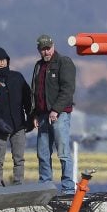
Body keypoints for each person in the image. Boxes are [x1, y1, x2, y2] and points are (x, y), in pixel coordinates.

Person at [30, 34, 76, 193]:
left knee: (63, 152)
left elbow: (68, 90)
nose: (46, 52)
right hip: (42, 116)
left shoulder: (64, 62)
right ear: (38, 50)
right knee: (42, 153)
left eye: (48, 48)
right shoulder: (38, 66)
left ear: (53, 46)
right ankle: (45, 187)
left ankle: (68, 188)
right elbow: (36, 92)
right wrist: (34, 113)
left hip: (60, 115)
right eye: (43, 49)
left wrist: (56, 110)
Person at [0, 47, 32, 187]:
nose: (2, 63)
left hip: (19, 125)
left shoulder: (18, 77)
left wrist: (30, 117)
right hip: (0, 127)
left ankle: (18, 185)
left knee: (19, 159)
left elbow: (27, 99)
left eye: (4, 60)